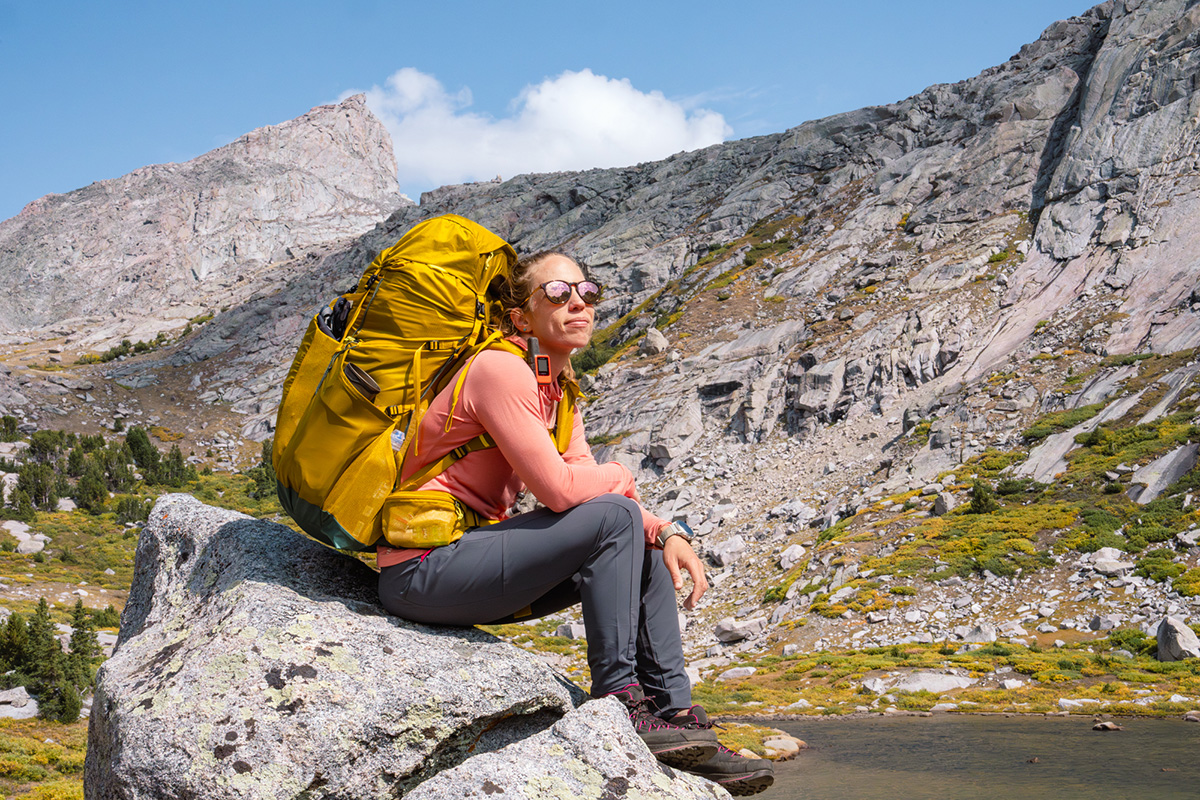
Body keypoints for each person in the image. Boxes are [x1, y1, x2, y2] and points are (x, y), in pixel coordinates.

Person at [377, 251, 774, 795]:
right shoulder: (499, 370)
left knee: (642, 543)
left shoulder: (557, 388)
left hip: (472, 562)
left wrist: (668, 533)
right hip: (422, 571)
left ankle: (676, 722)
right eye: (557, 293)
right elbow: (563, 491)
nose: (578, 303)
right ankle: (619, 701)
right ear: (520, 317)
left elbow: (591, 486)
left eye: (587, 291)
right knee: (616, 516)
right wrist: (622, 476)